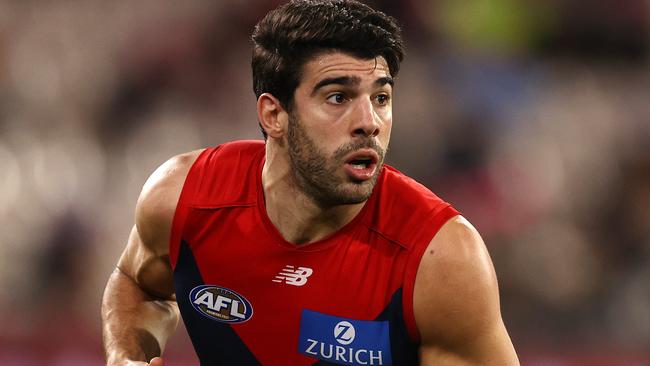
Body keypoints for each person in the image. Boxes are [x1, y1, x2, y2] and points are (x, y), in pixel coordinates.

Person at [101, 1, 520, 365]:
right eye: (338, 97)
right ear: (274, 115)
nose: (369, 123)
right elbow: (137, 284)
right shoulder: (184, 197)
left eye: (381, 97)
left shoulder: (441, 258)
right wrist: (126, 355)